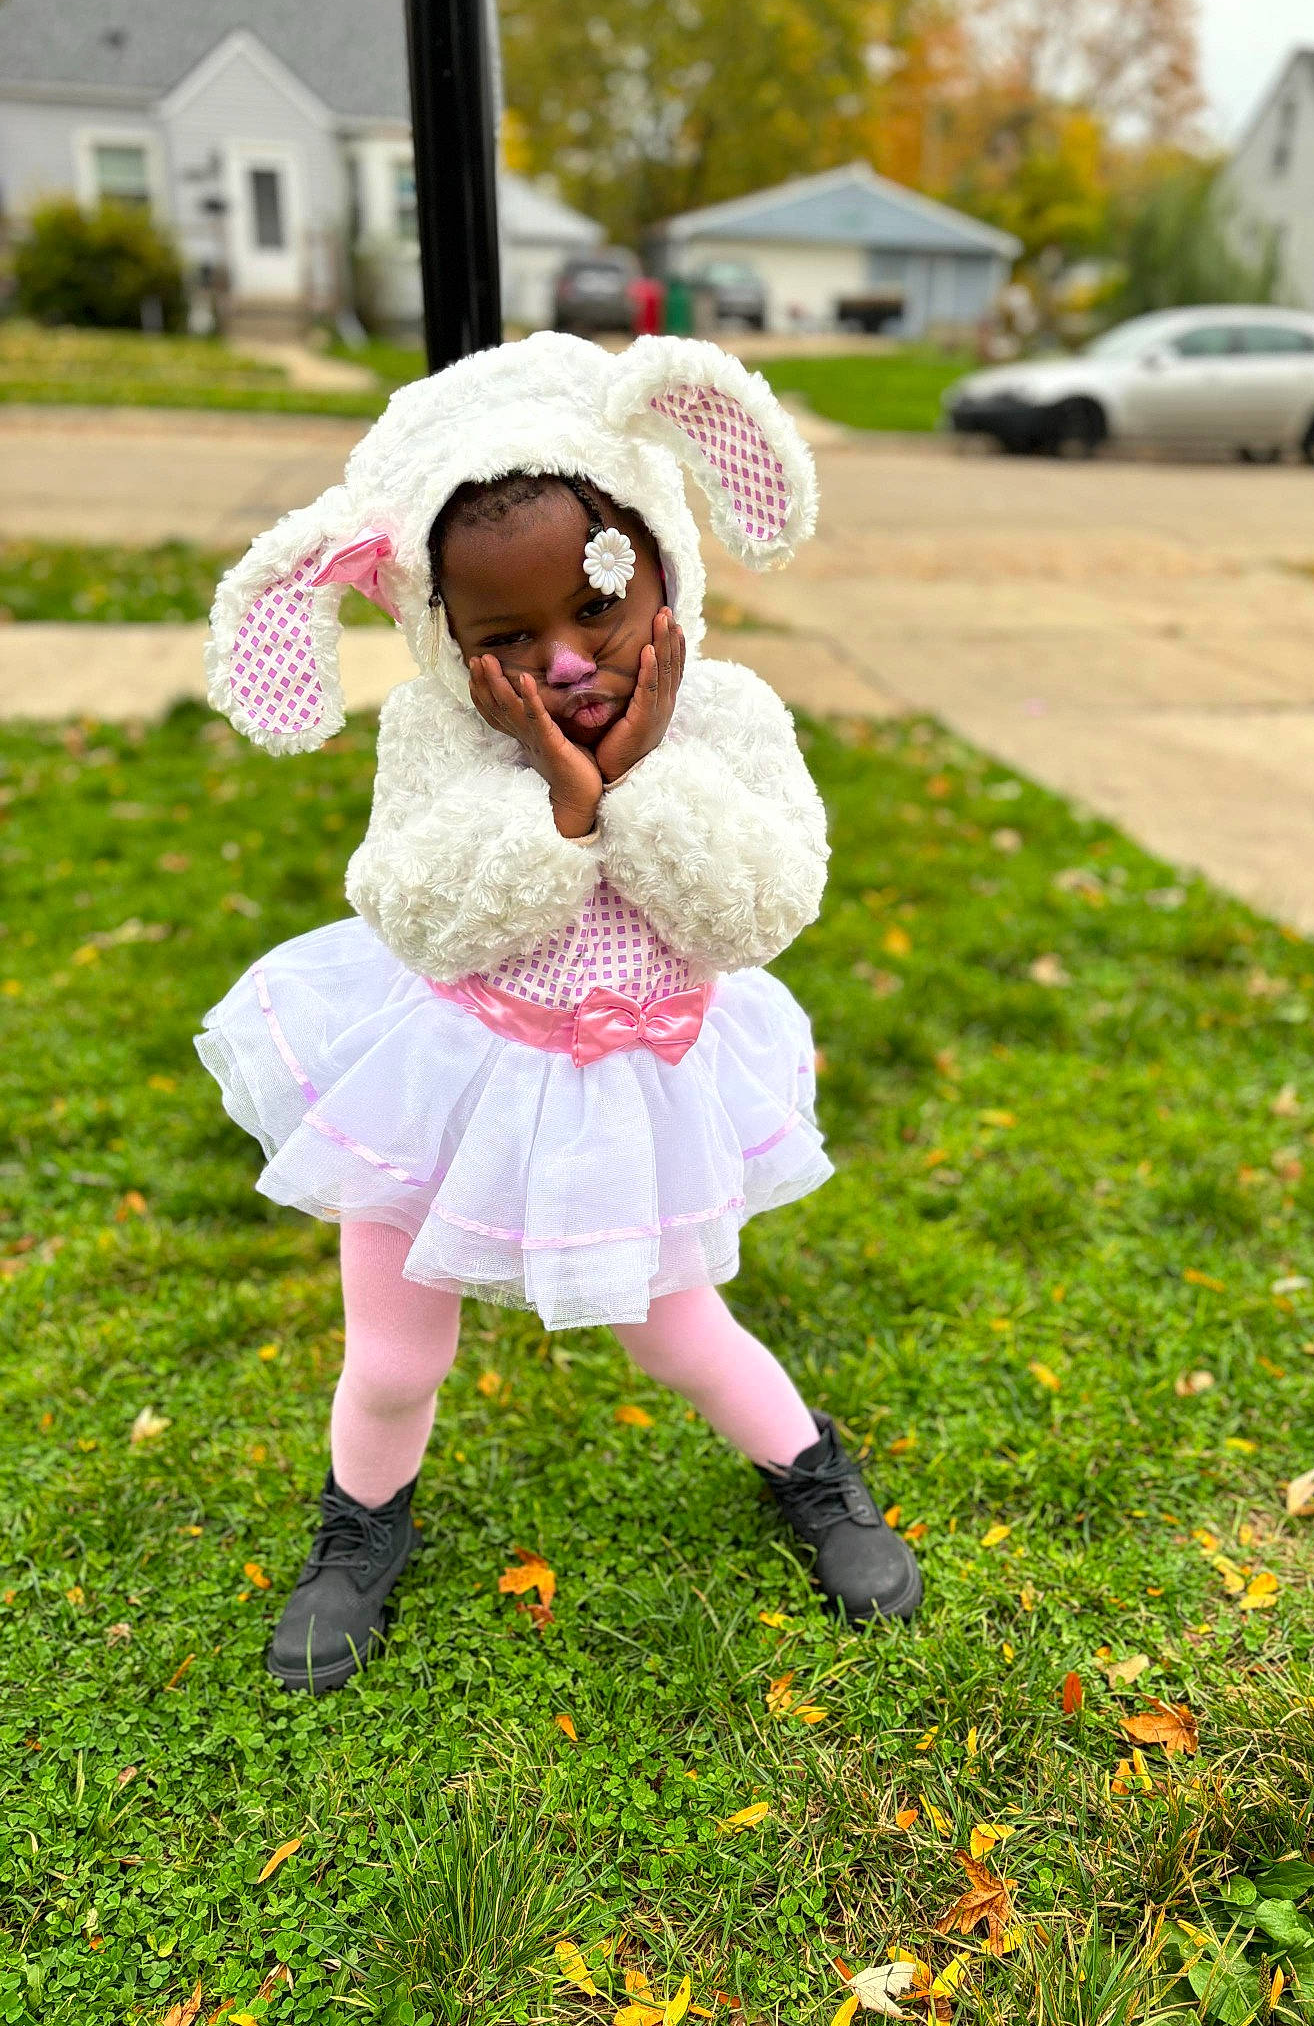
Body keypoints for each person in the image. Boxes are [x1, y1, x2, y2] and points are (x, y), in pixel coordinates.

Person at [195, 333, 922, 1693]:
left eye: (598, 608)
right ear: (444, 636)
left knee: (680, 1326)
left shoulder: (731, 719)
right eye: (508, 639)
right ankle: (361, 1529)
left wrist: (641, 780)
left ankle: (813, 1473)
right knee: (394, 1350)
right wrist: (562, 798)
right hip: (449, 1083)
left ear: (664, 567)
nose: (570, 663)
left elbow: (757, 907)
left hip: (633, 1092)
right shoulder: (435, 735)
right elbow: (418, 908)